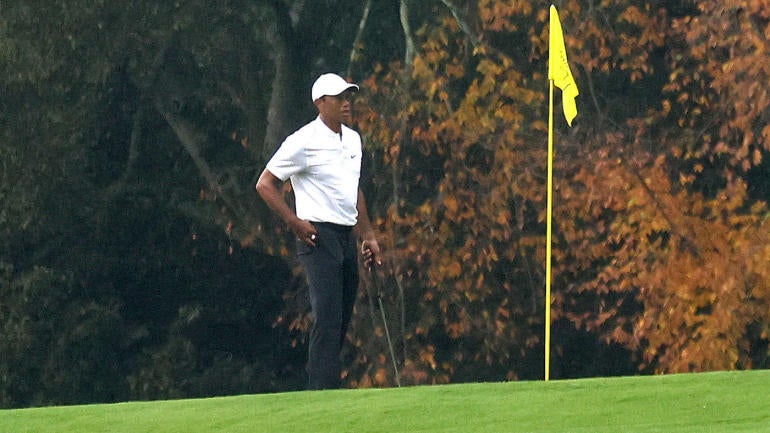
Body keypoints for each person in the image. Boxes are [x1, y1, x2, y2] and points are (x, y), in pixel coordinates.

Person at [256, 73, 383, 390]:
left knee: (340, 317)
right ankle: (322, 391)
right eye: (339, 98)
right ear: (320, 103)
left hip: (346, 236)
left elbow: (354, 190)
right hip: (316, 235)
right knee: (327, 315)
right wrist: (294, 222)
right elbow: (266, 184)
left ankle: (323, 386)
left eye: (348, 97)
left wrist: (368, 236)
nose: (346, 103)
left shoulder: (352, 140)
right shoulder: (303, 141)